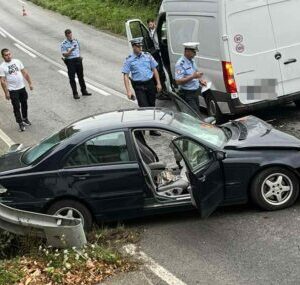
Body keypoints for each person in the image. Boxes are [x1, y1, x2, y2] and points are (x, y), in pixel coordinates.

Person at [122, 37, 162, 136]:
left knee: (152, 106)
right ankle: (143, 127)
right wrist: (128, 91)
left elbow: (154, 69)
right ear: (133, 47)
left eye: (141, 46)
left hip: (150, 84)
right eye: (138, 46)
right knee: (144, 107)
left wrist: (158, 83)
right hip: (139, 86)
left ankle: (152, 129)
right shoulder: (129, 60)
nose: (140, 48)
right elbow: (126, 76)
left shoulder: (147, 56)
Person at [0, 48, 33, 132]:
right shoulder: (2, 67)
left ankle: (25, 118)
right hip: (13, 90)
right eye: (6, 55)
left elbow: (25, 73)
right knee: (16, 107)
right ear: (3, 56)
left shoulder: (17, 61)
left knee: (24, 104)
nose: (8, 56)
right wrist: (6, 93)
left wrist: (30, 83)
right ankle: (20, 123)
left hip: (22, 87)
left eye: (9, 54)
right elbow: (3, 81)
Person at [175, 42, 207, 116]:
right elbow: (178, 81)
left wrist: (200, 81)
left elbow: (194, 73)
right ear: (187, 52)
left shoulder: (191, 61)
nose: (195, 54)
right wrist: (193, 76)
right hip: (187, 94)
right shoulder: (180, 64)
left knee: (196, 114)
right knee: (195, 116)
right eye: (194, 52)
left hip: (195, 92)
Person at [60, 29, 91, 99]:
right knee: (72, 78)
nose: (70, 37)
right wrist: (70, 51)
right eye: (68, 36)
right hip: (70, 61)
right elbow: (65, 55)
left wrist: (80, 56)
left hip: (78, 60)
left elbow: (78, 49)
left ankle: (84, 91)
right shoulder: (63, 44)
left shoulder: (75, 41)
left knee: (81, 77)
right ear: (66, 36)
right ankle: (75, 93)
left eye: (71, 35)